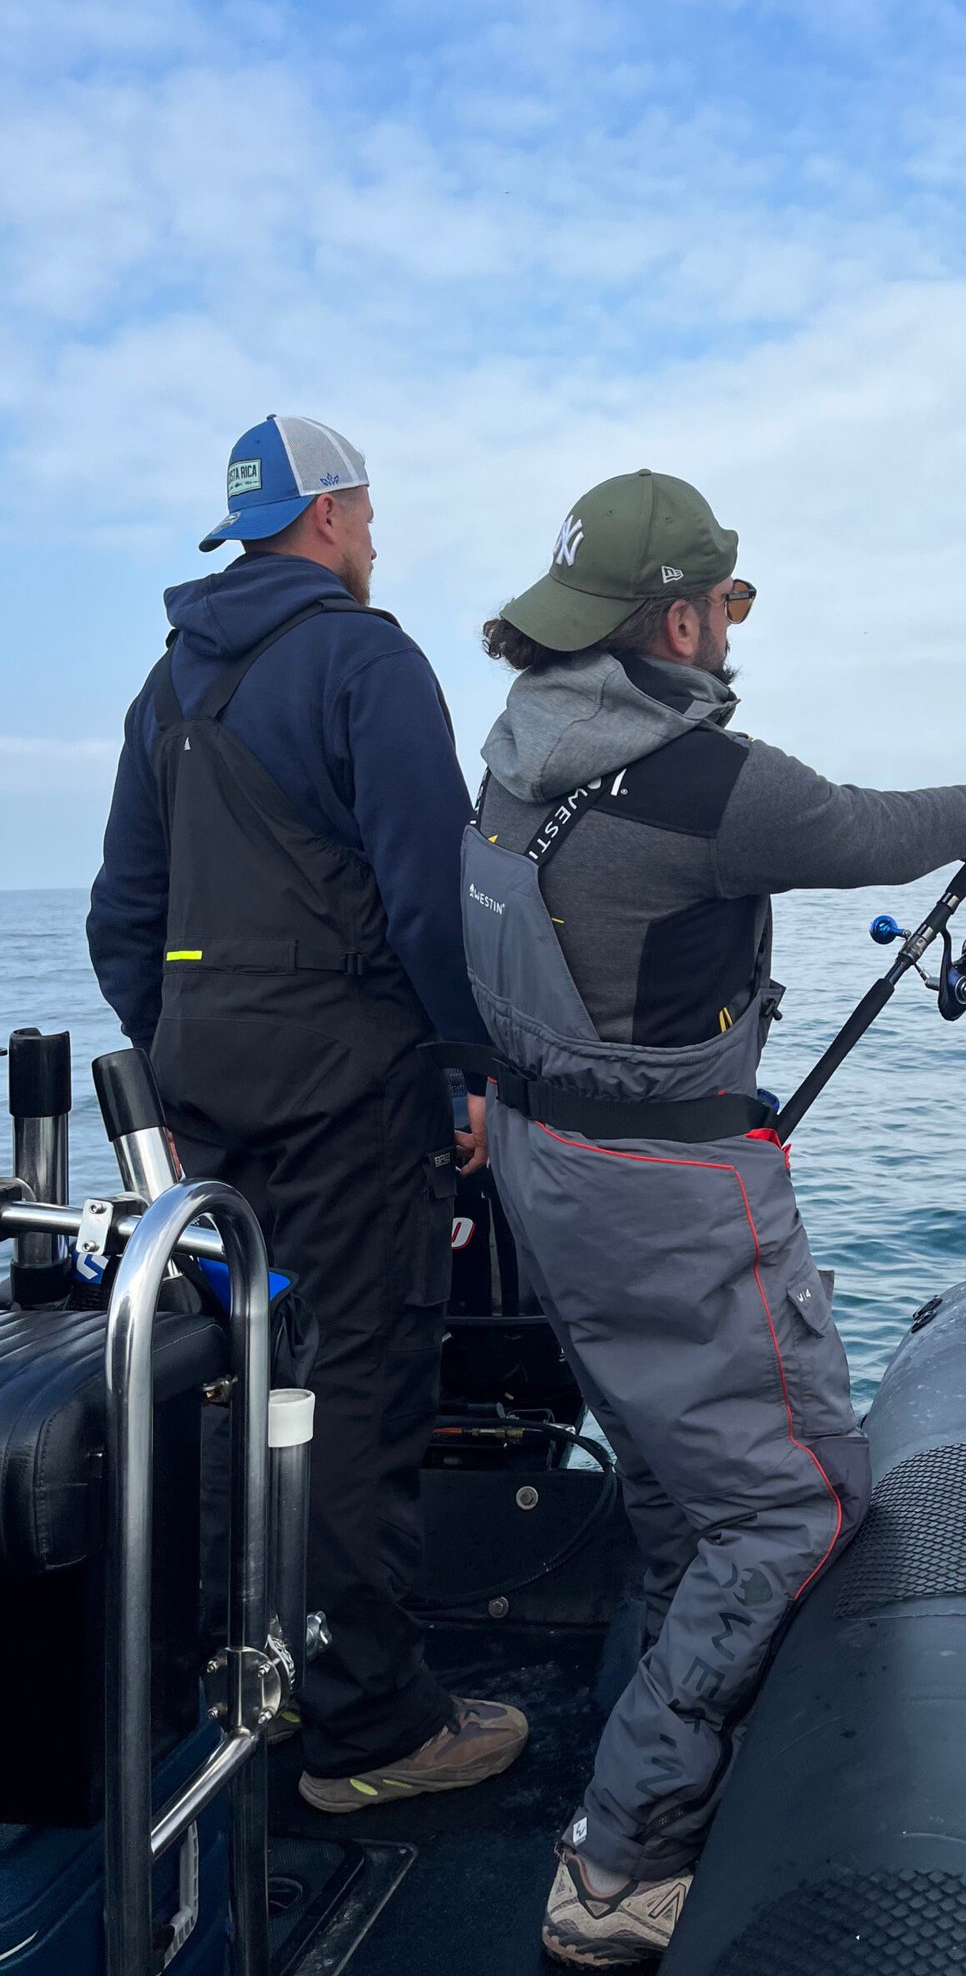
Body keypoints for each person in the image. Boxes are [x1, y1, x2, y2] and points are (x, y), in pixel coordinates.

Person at [459, 468, 966, 1965]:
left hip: (545, 1165)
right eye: (725, 604)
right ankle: (619, 1857)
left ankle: (657, 1731)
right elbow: (872, 826)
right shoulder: (706, 785)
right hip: (667, 1197)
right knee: (793, 1503)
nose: (733, 630)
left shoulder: (515, 759)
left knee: (679, 1484)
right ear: (676, 616)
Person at [88, 414, 528, 1814]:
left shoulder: (166, 691)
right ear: (330, 515)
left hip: (205, 1097)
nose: (378, 539)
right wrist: (468, 1066)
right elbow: (431, 897)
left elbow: (123, 923)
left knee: (232, 1387)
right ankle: (368, 1729)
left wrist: (182, 1048)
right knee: (358, 1387)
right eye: (371, 514)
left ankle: (244, 1683)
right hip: (351, 1093)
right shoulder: (367, 658)